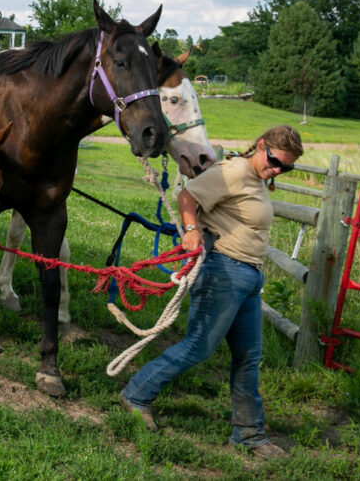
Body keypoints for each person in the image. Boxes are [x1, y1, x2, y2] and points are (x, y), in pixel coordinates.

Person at [120, 124, 303, 460]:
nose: (276, 169)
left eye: (285, 167)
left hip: (248, 277)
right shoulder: (233, 171)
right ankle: (136, 394)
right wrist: (191, 230)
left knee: (248, 358)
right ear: (260, 145)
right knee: (198, 347)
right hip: (224, 270)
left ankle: (249, 435)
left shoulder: (257, 179)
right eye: (274, 160)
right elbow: (187, 195)